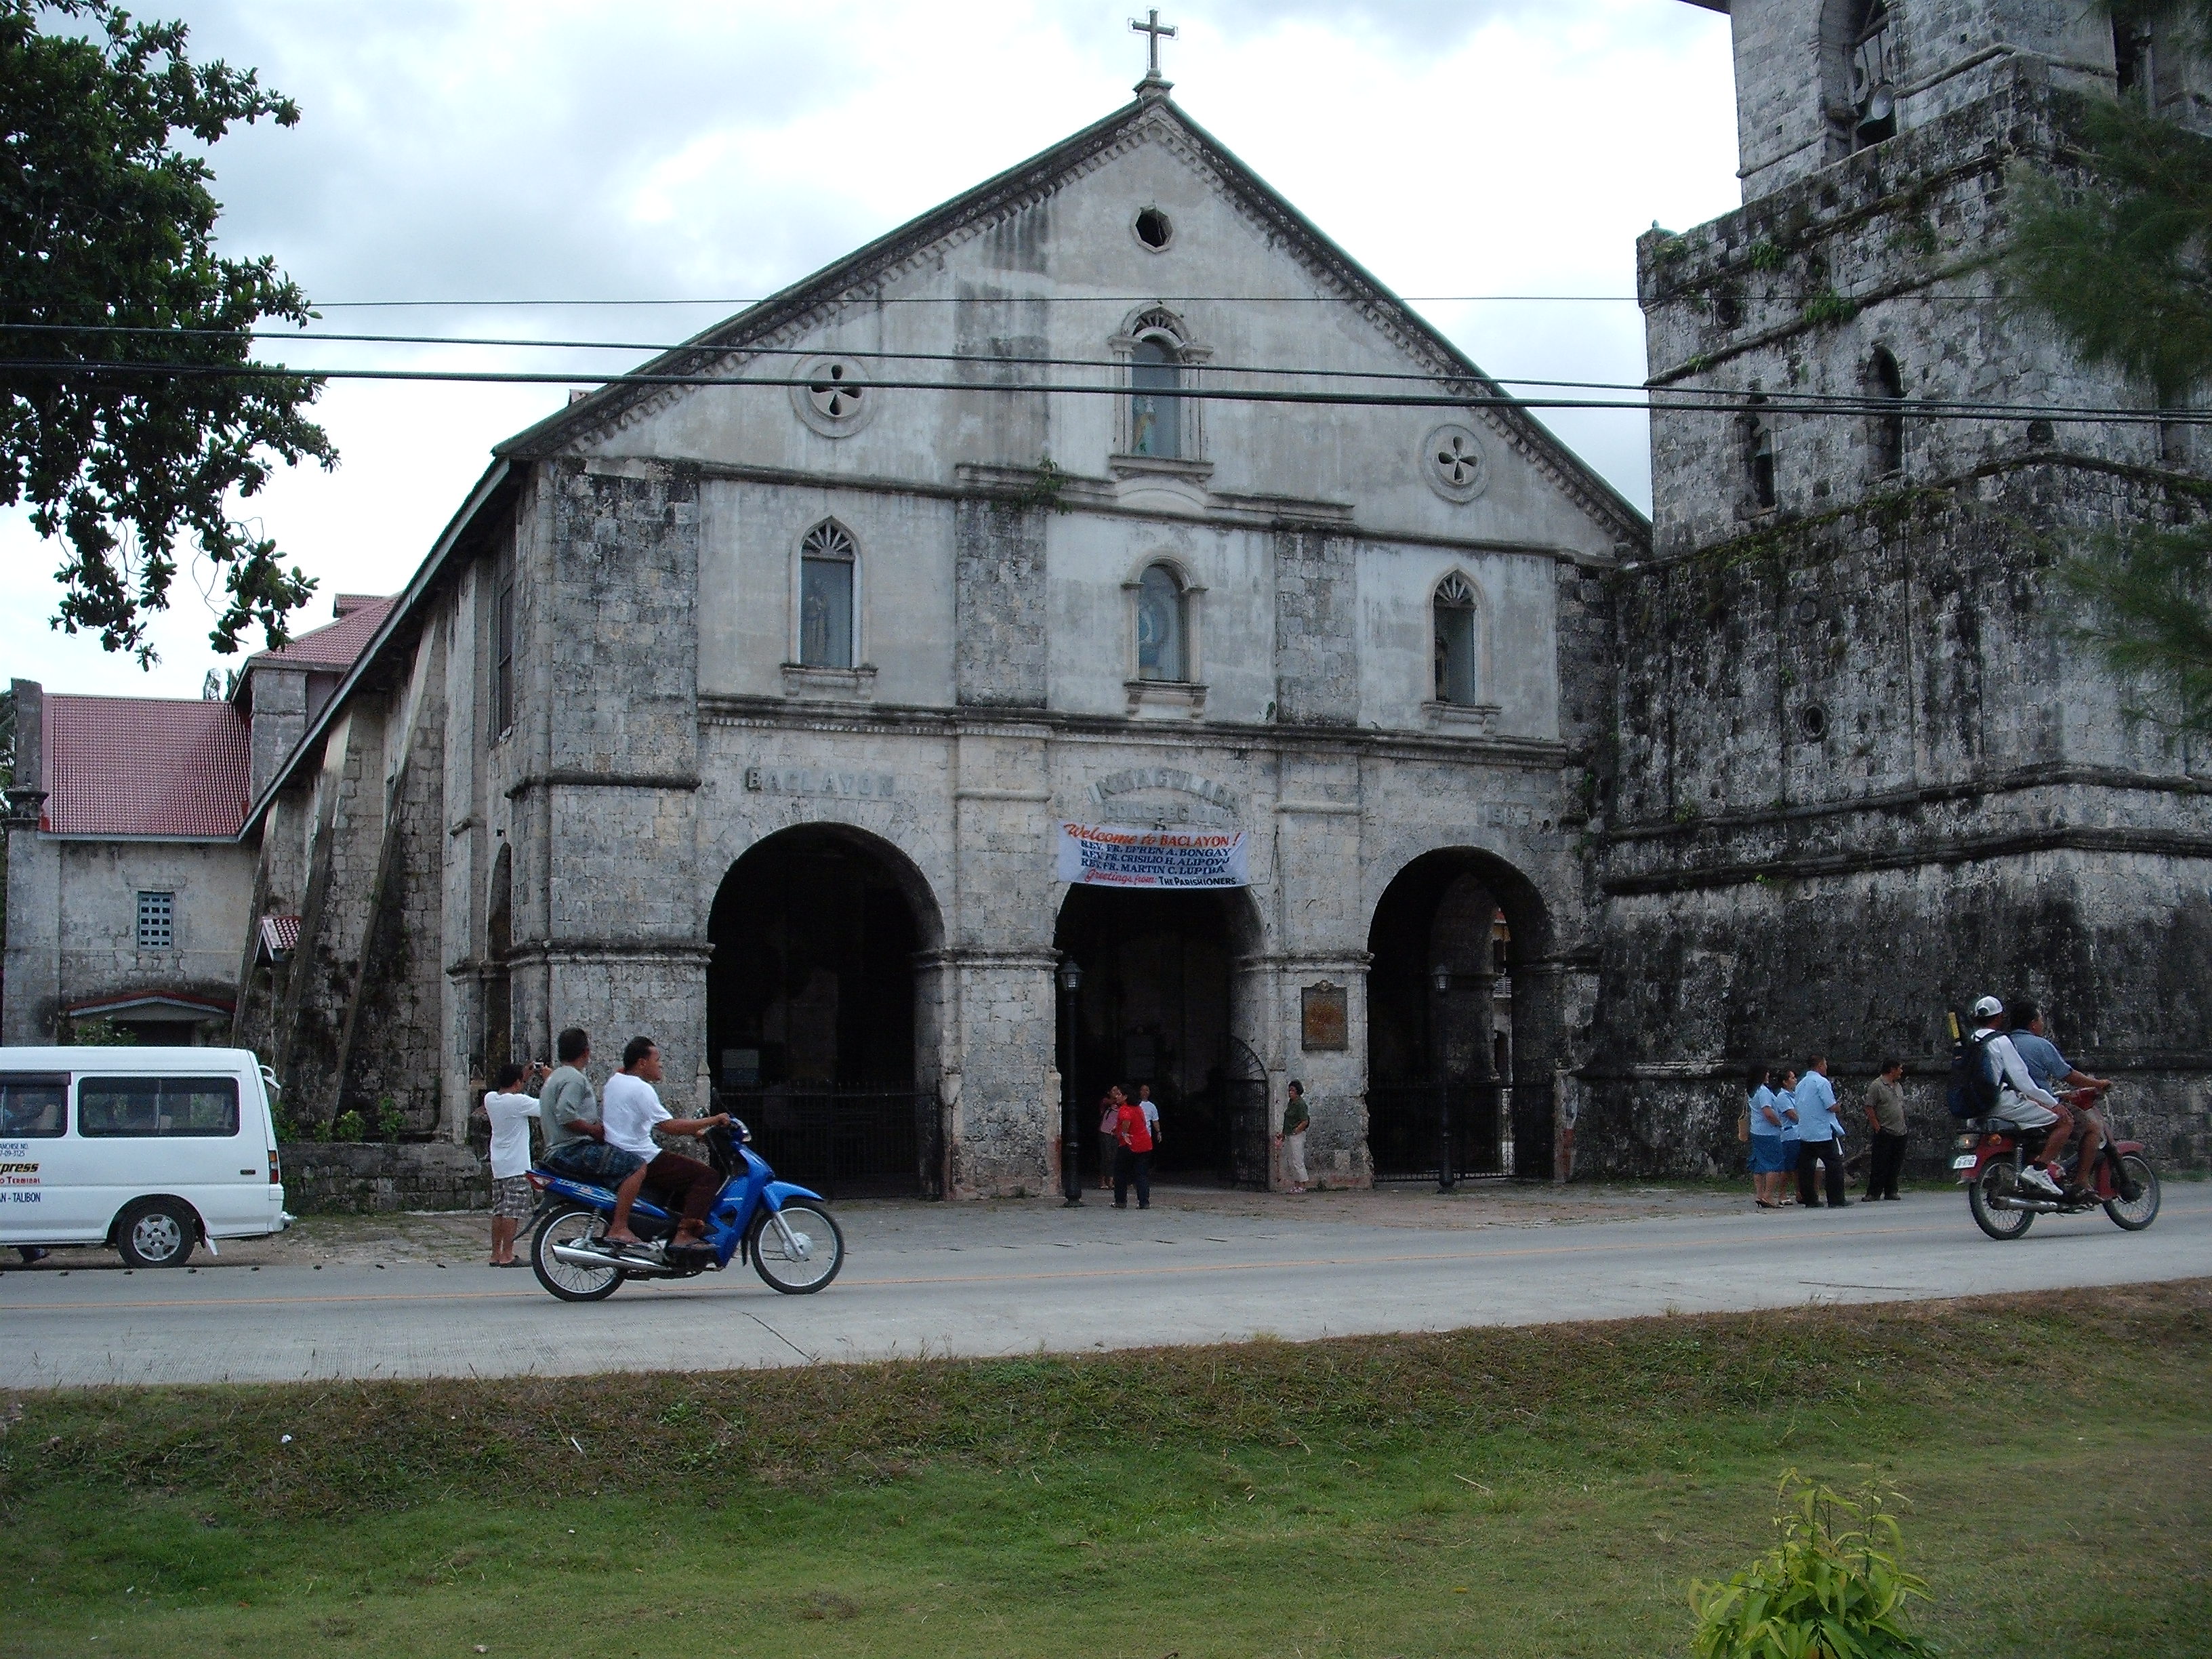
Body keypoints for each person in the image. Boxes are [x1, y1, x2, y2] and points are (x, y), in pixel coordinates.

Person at [599, 1037, 731, 1250]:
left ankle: (668, 1228)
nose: (661, 1065)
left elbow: (648, 1119)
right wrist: (714, 1120)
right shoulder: (642, 1090)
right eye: (657, 1060)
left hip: (619, 1150)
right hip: (641, 1155)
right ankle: (685, 1235)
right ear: (642, 1063)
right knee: (707, 1176)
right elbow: (669, 1127)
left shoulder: (615, 1081)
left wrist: (697, 1132)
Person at [1968, 996, 2071, 1197]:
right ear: (1999, 1017)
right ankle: (2039, 1170)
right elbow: (2023, 1082)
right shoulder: (2000, 1041)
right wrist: (2053, 1104)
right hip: (2000, 1103)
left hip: (1975, 1105)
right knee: (2064, 1122)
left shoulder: (1970, 1041)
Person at [2007, 1000, 2109, 1197]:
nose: (2042, 1024)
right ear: (2033, 1023)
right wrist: (2098, 1084)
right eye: (2041, 1019)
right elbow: (2068, 1075)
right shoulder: (2039, 1045)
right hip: (2041, 1104)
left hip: (2011, 1104)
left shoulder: (2002, 1043)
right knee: (2092, 1128)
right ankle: (2081, 1181)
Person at [483, 1060, 546, 1266]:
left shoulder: (491, 1099)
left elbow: (510, 1093)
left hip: (499, 1164)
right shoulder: (519, 1103)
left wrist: (522, 1078)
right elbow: (545, 1107)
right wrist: (548, 1079)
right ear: (517, 1083)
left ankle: (495, 1253)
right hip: (517, 1166)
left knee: (499, 1209)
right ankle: (508, 1254)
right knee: (513, 1211)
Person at [1791, 1054, 1849, 1210]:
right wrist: (1838, 1106)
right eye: (1825, 1064)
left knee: (1806, 1167)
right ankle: (1836, 1199)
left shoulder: (1801, 1084)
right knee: (1834, 1165)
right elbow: (1830, 1105)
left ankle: (1810, 1199)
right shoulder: (1822, 1083)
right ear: (1820, 1065)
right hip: (1822, 1131)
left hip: (1805, 1131)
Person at [538, 1027, 599, 1158]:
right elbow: (566, 1115)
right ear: (586, 1052)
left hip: (555, 1148)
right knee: (635, 1165)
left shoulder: (554, 1077)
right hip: (572, 1149)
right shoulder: (575, 1078)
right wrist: (593, 1130)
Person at [1861, 1058, 1908, 1202]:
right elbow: (1869, 1106)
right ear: (1892, 1069)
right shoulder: (1877, 1086)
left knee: (1895, 1163)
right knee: (1880, 1163)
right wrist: (1877, 1127)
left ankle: (1891, 1190)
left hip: (1900, 1130)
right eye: (1899, 1068)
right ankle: (1874, 1192)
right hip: (1885, 1130)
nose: (1901, 1071)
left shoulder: (1898, 1086)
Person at [1746, 1065, 1788, 1210]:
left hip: (1756, 1130)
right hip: (1768, 1132)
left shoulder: (1752, 1091)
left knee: (1759, 1163)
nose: (1769, 1075)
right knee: (1774, 1164)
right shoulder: (1763, 1091)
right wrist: (1778, 1123)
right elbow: (1768, 1112)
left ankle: (1759, 1194)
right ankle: (1768, 1195)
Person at [1112, 1084, 1153, 1210]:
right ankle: (1144, 1202)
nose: (1117, 1097)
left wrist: (1123, 1133)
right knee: (1142, 1174)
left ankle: (1120, 1201)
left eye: (1119, 1094)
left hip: (1130, 1144)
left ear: (1125, 1097)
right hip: (1145, 1143)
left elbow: (1126, 1120)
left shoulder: (1125, 1109)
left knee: (1120, 1173)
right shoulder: (1138, 1108)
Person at [1276, 1079, 1311, 1193]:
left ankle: (1302, 1185)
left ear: (1298, 1092)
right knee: (1291, 1161)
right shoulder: (1291, 1103)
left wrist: (1296, 1130)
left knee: (1298, 1160)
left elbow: (1305, 1121)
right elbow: (1287, 1121)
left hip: (1297, 1135)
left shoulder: (1301, 1104)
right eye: (1290, 1090)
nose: (1291, 1093)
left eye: (1293, 1091)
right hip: (1290, 1134)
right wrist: (1283, 1134)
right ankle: (1296, 1184)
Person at [1774, 1067, 1803, 1202]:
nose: (1795, 1080)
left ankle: (1799, 1192)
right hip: (1789, 1135)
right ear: (1785, 1082)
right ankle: (1782, 1194)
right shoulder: (1782, 1097)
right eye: (1792, 1078)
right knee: (1788, 1166)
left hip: (1798, 1134)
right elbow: (1792, 1115)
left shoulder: (1795, 1095)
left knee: (1798, 1166)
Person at [1097, 1084, 1125, 1193]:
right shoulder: (1106, 1102)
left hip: (1116, 1132)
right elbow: (1109, 1102)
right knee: (1106, 1156)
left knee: (1114, 1156)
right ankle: (1103, 1180)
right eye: (1114, 1090)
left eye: (1118, 1090)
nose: (1116, 1092)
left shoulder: (1122, 1105)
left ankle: (1111, 1180)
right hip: (1105, 1131)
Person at [1136, 1082, 1162, 1153]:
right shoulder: (1135, 1104)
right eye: (1142, 1090)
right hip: (1135, 1135)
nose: (1144, 1092)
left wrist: (1158, 1132)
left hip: (1147, 1136)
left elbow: (1155, 1121)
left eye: (1147, 1090)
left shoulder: (1152, 1106)